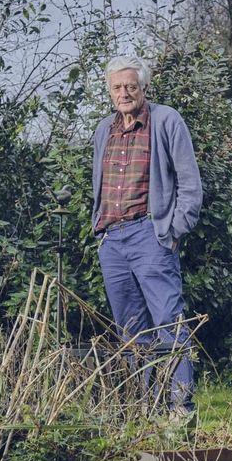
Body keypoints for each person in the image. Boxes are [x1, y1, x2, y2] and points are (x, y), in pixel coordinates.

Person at [91, 55, 202, 417]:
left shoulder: (166, 120)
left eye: (130, 86)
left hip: (149, 234)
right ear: (110, 91)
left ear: (143, 87)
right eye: (117, 87)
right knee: (131, 331)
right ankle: (146, 408)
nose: (124, 93)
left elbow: (189, 183)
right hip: (112, 240)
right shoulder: (103, 129)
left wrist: (171, 233)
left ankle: (180, 406)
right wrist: (100, 233)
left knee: (169, 321)